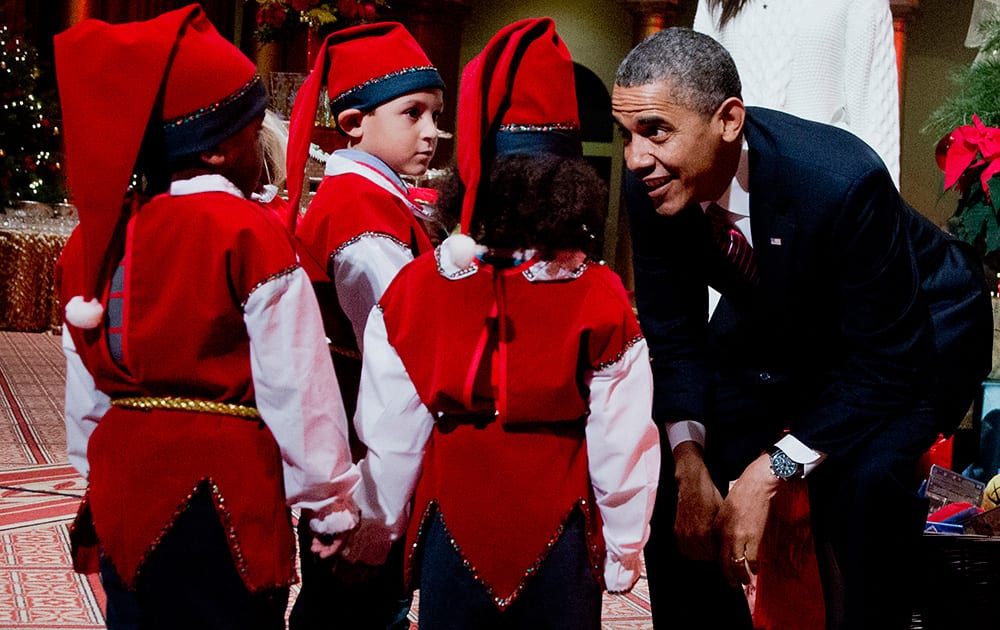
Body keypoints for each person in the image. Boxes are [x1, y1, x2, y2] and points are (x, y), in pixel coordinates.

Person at [611, 27, 992, 630]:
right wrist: (688, 460)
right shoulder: (651, 183)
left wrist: (769, 472)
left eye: (656, 131)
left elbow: (883, 364)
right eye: (626, 134)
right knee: (669, 479)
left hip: (919, 332)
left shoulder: (841, 179)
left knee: (861, 482)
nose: (635, 158)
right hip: (787, 318)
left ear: (729, 120)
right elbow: (676, 335)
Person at [335, 17, 660, 628]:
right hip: (560, 530)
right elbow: (622, 440)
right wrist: (624, 545)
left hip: (450, 524)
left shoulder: (417, 288)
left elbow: (392, 430)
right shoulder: (601, 294)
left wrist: (376, 530)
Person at [53, 6, 360, 628]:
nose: (261, 150)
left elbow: (83, 387)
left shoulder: (93, 239)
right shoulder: (251, 233)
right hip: (226, 493)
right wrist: (329, 502)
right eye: (253, 133)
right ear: (219, 149)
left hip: (126, 486)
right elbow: (296, 381)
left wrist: (96, 476)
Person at [282, 21, 446, 630]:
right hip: (363, 458)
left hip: (361, 446)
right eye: (413, 114)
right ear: (354, 123)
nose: (432, 133)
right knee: (355, 612)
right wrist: (377, 508)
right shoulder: (362, 219)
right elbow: (400, 356)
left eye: (436, 115)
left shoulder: (379, 202)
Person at [693, 0, 901, 187]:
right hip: (729, 190)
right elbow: (700, 100)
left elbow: (875, 117)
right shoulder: (713, 3)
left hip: (820, 191)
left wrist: (884, 217)